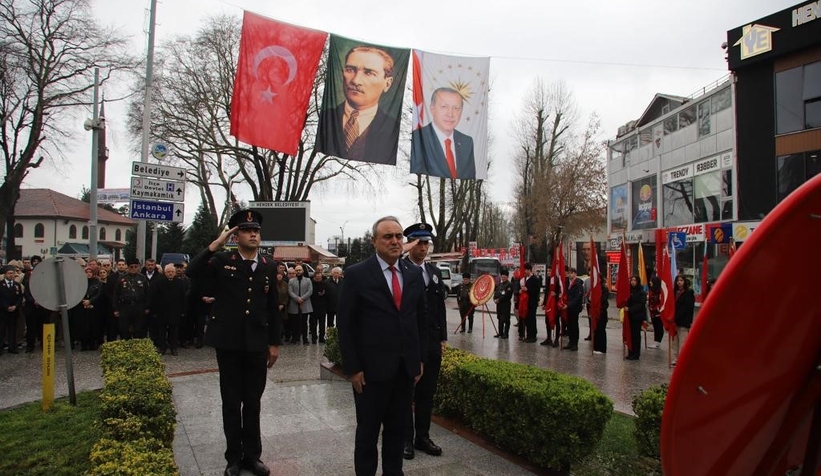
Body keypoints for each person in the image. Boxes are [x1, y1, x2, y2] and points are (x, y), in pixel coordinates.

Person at [186, 209, 281, 476]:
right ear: (235, 235)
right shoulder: (221, 261)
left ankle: (252, 456)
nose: (254, 234)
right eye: (247, 230)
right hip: (228, 343)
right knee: (231, 402)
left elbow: (272, 307)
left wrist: (274, 343)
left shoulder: (268, 265)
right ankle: (233, 458)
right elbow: (192, 272)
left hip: (256, 344)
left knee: (253, 402)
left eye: (257, 230)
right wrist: (216, 244)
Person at [336, 216, 427, 476]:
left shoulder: (412, 274)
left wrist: (418, 360)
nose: (395, 241)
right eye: (388, 236)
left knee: (397, 433)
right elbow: (346, 324)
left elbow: (420, 320)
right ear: (374, 241)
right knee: (367, 434)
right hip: (370, 373)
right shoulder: (356, 274)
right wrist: (353, 368)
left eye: (399, 236)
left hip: (404, 371)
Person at [401, 222, 447, 460]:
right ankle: (405, 440)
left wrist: (442, 338)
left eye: (426, 243)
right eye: (418, 243)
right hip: (410, 342)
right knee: (407, 392)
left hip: (430, 343)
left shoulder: (434, 273)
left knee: (427, 393)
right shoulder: (400, 269)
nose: (423, 248)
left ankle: (422, 436)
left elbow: (439, 309)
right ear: (410, 244)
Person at [317, 46, 399, 163]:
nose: (356, 80)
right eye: (350, 70)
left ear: (387, 84)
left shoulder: (393, 131)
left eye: (369, 73)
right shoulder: (324, 118)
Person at [410, 87, 476, 179]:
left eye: (456, 108)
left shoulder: (467, 142)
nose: (450, 114)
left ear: (461, 111)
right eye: (444, 107)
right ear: (432, 109)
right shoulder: (418, 138)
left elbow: (470, 176)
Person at [150, 264, 186, 355]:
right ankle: (162, 347)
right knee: (161, 331)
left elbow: (183, 297)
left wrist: (183, 310)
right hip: (162, 311)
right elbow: (155, 297)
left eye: (172, 272)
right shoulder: (159, 282)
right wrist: (155, 311)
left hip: (175, 311)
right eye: (168, 272)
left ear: (175, 273)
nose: (170, 273)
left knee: (173, 331)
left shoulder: (180, 282)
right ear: (165, 273)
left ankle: (173, 348)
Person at [112, 258, 150, 339]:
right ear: (127, 267)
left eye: (135, 267)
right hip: (125, 307)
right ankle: (126, 348)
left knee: (138, 329)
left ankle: (137, 348)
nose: (133, 269)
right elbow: (116, 294)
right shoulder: (121, 279)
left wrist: (147, 307)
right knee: (124, 329)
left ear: (138, 267)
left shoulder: (142, 278)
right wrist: (116, 309)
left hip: (139, 307)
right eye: (131, 267)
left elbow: (147, 294)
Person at [672, 276, 695, 367]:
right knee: (675, 342)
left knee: (682, 341)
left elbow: (687, 308)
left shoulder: (688, 293)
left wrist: (676, 317)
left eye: (681, 280)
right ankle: (675, 358)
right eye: (678, 280)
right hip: (674, 322)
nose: (679, 282)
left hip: (683, 321)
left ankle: (682, 360)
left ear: (684, 282)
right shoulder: (674, 292)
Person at [287, 264, 313, 345]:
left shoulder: (308, 280)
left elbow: (310, 291)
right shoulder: (291, 281)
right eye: (297, 270)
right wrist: (297, 298)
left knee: (304, 323)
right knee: (294, 322)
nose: (298, 272)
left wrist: (302, 298)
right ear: (295, 271)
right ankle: (294, 338)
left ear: (303, 271)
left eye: (300, 270)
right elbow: (290, 291)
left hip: (304, 304)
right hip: (294, 304)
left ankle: (305, 339)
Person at [0, 265, 23, 355]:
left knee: (13, 330)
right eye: (9, 273)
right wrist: (6, 307)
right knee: (2, 330)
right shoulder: (1, 284)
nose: (11, 275)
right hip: (3, 311)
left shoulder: (17, 285)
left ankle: (12, 347)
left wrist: (15, 306)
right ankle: (1, 347)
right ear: (5, 274)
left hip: (14, 311)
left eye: (12, 273)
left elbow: (20, 297)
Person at [625, 275, 647, 361]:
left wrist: (630, 309)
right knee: (630, 335)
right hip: (629, 316)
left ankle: (636, 353)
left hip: (637, 316)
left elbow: (641, 305)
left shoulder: (641, 292)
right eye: (631, 280)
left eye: (634, 280)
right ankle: (630, 352)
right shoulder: (629, 291)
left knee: (636, 335)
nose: (633, 282)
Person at [563, 268, 584, 351]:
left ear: (575, 274)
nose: (570, 275)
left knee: (574, 325)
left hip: (574, 308)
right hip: (567, 307)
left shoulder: (578, 283)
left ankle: (575, 343)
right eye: (569, 273)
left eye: (572, 273)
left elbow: (578, 297)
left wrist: (568, 305)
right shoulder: (567, 282)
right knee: (569, 325)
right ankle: (570, 342)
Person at [523, 263, 541, 343]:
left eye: (525, 270)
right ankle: (528, 335)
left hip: (532, 302)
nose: (524, 271)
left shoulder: (535, 279)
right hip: (527, 302)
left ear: (529, 270)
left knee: (532, 319)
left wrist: (527, 289)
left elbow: (536, 291)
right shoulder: (527, 279)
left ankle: (533, 336)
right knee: (527, 319)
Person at [493, 269, 513, 339]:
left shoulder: (509, 285)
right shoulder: (500, 285)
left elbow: (507, 295)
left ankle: (506, 333)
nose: (503, 278)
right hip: (499, 305)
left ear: (507, 277)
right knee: (499, 319)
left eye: (504, 277)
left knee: (506, 319)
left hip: (505, 305)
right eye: (502, 277)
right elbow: (496, 293)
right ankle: (500, 333)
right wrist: (495, 299)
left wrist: (499, 300)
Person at [309, 271, 326, 344]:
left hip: (322, 306)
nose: (319, 279)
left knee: (322, 324)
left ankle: (322, 337)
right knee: (313, 324)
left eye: (320, 278)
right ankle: (314, 337)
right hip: (313, 306)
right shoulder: (311, 284)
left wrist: (323, 294)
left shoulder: (324, 283)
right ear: (314, 277)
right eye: (318, 278)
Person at [592, 284, 610, 354]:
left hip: (602, 312)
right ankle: (596, 347)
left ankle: (602, 348)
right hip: (596, 313)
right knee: (596, 330)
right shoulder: (593, 288)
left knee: (601, 330)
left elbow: (605, 301)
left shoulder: (604, 289)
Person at [647, 277, 663, 349]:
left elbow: (661, 302)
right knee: (655, 327)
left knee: (659, 327)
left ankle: (658, 342)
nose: (650, 283)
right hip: (652, 312)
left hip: (658, 312)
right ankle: (656, 341)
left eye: (651, 281)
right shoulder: (651, 291)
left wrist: (657, 308)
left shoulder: (659, 291)